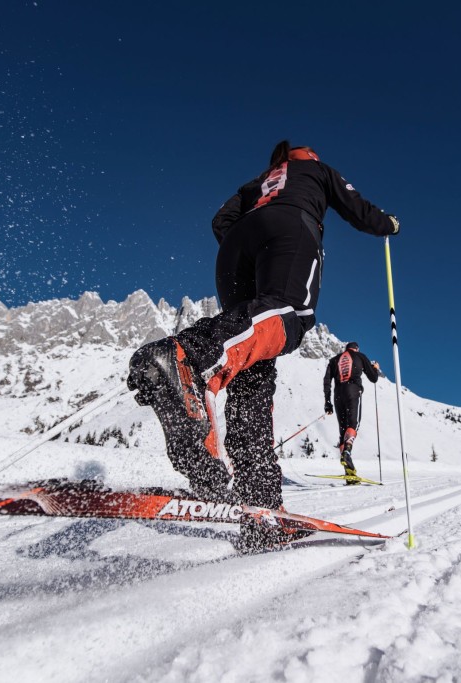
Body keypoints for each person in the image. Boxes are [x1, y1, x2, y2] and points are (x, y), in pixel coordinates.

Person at [126, 141, 398, 551]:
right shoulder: (317, 172)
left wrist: (245, 245)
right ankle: (186, 358)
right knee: (291, 313)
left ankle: (260, 507)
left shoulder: (256, 183)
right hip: (290, 230)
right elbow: (357, 208)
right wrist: (389, 225)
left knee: (252, 357)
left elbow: (221, 221)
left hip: (234, 248)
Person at [323, 342, 380, 481]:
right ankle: (347, 452)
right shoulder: (360, 356)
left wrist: (327, 402)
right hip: (353, 391)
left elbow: (326, 381)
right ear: (356, 349)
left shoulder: (334, 360)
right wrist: (375, 368)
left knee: (342, 431)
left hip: (338, 394)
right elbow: (373, 378)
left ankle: (349, 472)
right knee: (353, 425)